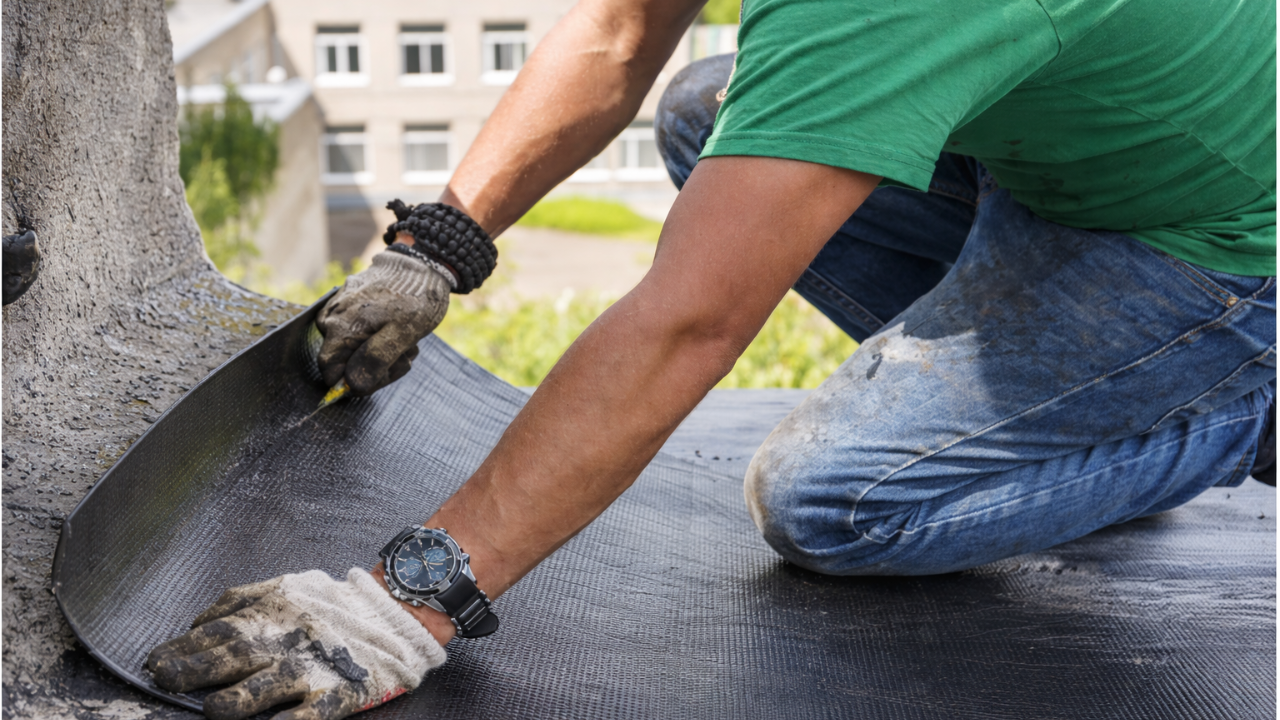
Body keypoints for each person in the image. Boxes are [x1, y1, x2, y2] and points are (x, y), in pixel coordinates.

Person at [145, 0, 1277, 717]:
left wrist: (407, 606)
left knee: (833, 505)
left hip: (1211, 249)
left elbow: (690, 320)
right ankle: (1063, 410)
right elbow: (613, 32)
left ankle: (1232, 401)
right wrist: (437, 248)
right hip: (1067, 153)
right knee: (708, 109)